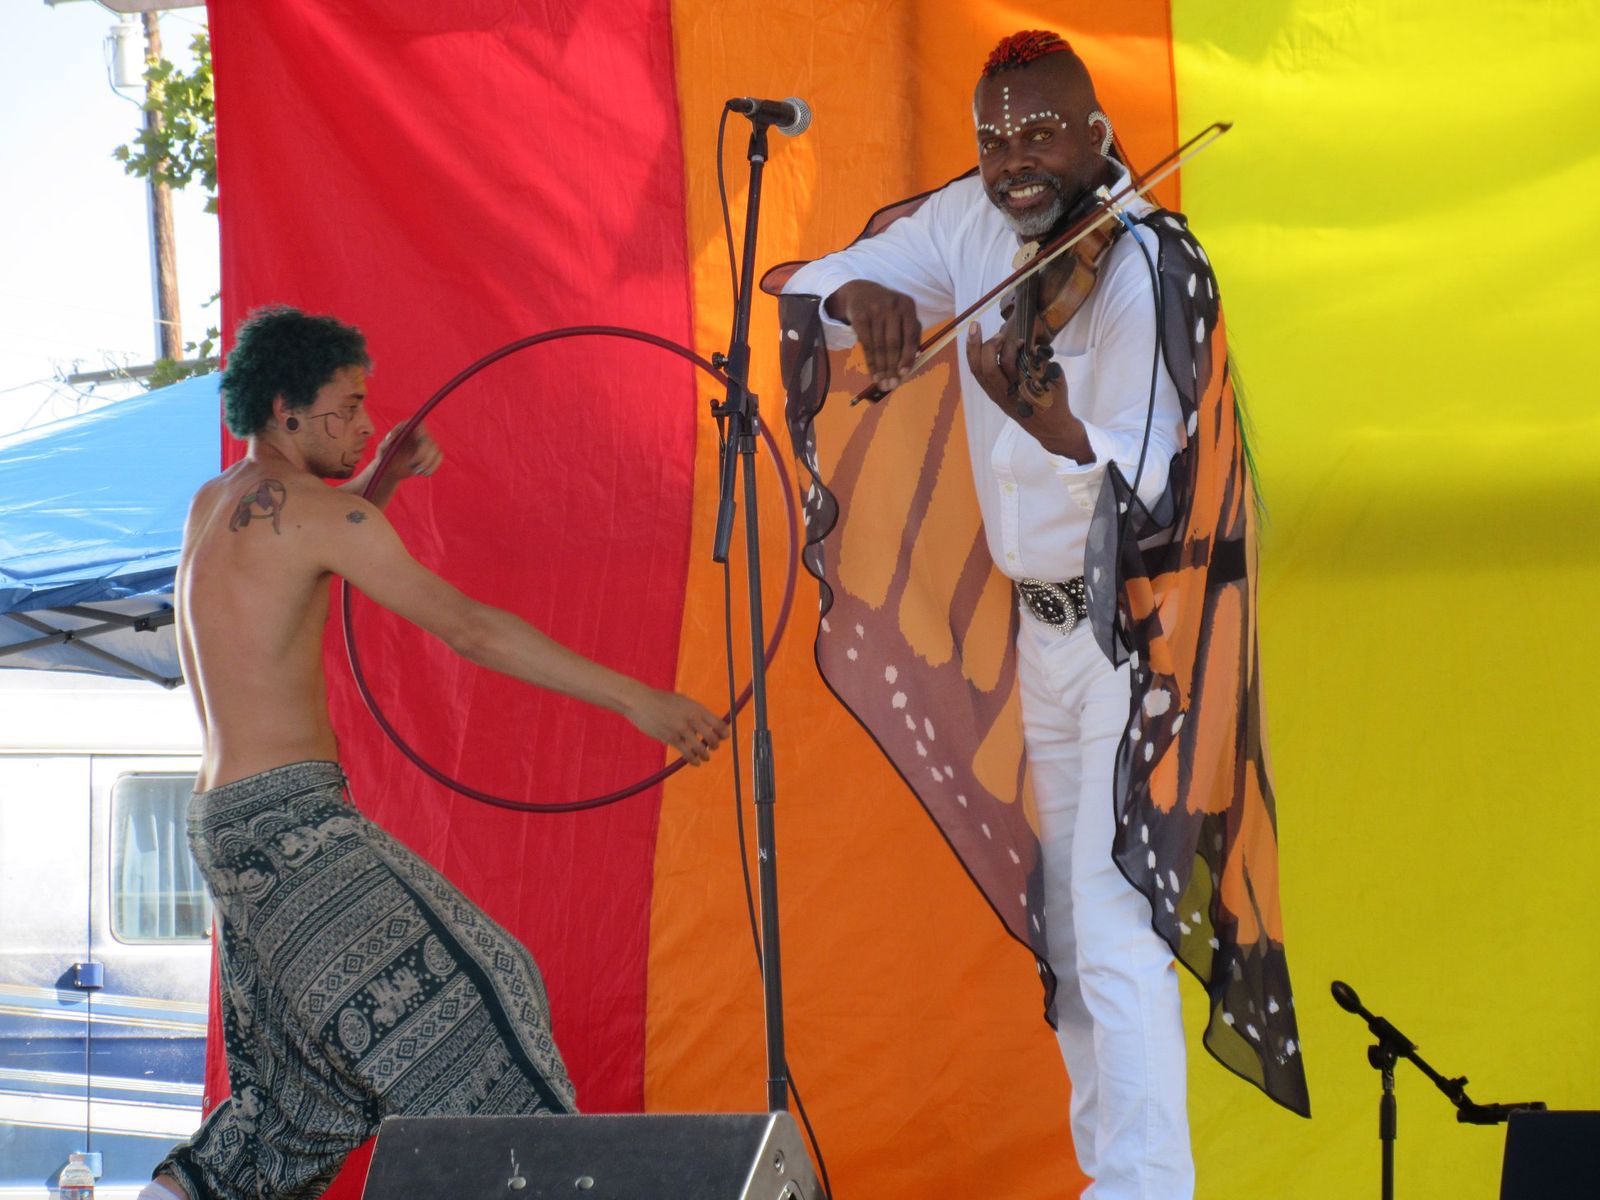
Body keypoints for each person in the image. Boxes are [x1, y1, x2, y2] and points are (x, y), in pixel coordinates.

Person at [779, 29, 1306, 1200]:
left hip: (1137, 630)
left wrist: (1055, 424)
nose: (1013, 159)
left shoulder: (1150, 264)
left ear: (1098, 135)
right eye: (994, 138)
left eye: (1040, 133)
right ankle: (1108, 1175)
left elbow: (1158, 475)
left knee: (1114, 923)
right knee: (1068, 941)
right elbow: (810, 286)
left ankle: (1145, 1189)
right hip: (1044, 638)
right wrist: (858, 294)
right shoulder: (970, 224)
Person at [145, 306, 727, 1200]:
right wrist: (636, 699)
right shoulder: (323, 514)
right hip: (292, 825)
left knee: (296, 1105)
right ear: (287, 409)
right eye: (348, 407)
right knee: (491, 995)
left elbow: (294, 560)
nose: (366, 423)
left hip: (223, 825)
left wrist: (377, 481)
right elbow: (471, 629)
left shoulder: (213, 505)